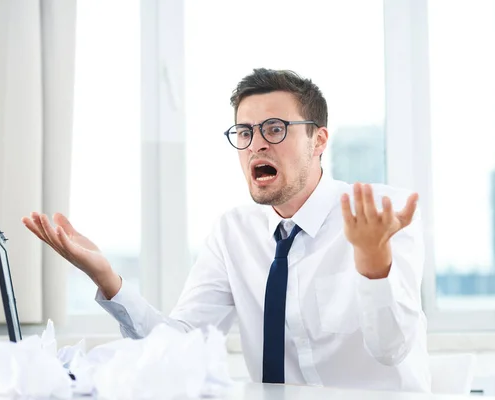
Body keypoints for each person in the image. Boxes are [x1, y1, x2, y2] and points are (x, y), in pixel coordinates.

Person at [22, 68, 430, 392]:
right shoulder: (233, 233)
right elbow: (181, 347)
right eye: (245, 132)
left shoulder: (382, 215)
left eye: (274, 129)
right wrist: (107, 279)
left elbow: (391, 350)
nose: (256, 145)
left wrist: (374, 266)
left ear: (318, 139)